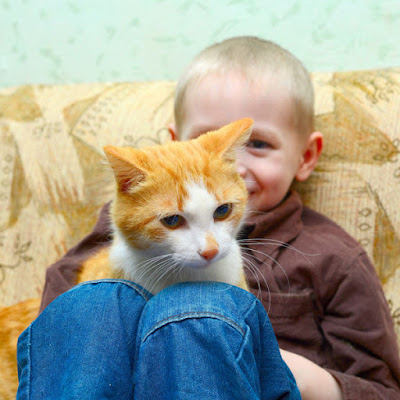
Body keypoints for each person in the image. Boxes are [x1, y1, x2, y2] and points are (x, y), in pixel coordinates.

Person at [19, 37, 400, 399]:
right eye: (205, 139)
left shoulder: (334, 256)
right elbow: (57, 320)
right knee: (92, 302)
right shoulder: (126, 220)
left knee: (197, 312)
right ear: (175, 143)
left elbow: (383, 390)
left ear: (305, 156)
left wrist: (301, 375)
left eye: (258, 143)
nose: (233, 165)